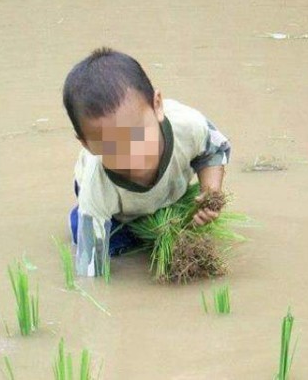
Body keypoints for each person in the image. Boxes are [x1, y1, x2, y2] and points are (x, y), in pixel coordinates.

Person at [62, 47, 231, 277]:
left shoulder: (187, 126)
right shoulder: (97, 185)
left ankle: (160, 215)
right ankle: (129, 226)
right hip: (117, 207)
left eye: (137, 134)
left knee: (189, 224)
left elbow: (213, 150)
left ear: (157, 105)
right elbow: (91, 268)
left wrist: (210, 194)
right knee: (99, 239)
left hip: (167, 188)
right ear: (87, 146)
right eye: (112, 146)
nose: (132, 153)